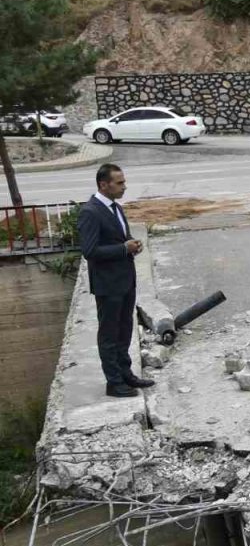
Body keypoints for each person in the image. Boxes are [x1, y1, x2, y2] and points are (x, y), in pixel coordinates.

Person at [78, 164, 153, 397]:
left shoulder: (116, 208)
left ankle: (126, 374)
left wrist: (131, 245)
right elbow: (90, 251)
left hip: (125, 280)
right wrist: (123, 248)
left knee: (124, 330)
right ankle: (114, 382)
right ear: (104, 184)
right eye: (119, 183)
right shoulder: (90, 212)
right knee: (109, 334)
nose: (124, 187)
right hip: (108, 285)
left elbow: (120, 238)